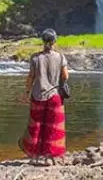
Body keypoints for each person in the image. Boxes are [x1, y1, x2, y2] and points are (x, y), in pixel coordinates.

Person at [19, 29, 69, 165]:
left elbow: (31, 77)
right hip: (55, 96)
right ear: (55, 41)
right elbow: (65, 76)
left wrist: (26, 93)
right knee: (53, 127)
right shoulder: (60, 57)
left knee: (36, 126)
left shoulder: (35, 58)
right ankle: (49, 157)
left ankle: (35, 157)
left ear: (42, 40)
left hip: (37, 95)